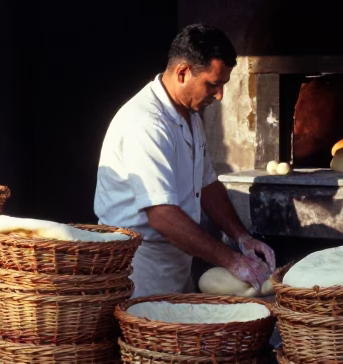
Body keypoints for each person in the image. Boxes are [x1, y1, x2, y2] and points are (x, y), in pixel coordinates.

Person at [94, 24, 276, 297]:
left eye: (223, 86)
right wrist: (232, 261)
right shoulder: (146, 123)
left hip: (176, 264)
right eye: (213, 85)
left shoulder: (189, 115)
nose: (219, 96)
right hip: (137, 271)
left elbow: (207, 184)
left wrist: (242, 237)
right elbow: (162, 216)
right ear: (183, 72)